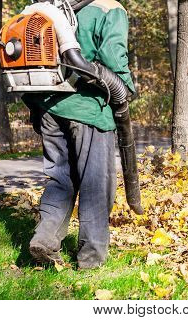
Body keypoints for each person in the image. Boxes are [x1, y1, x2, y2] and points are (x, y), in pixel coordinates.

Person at [22, 0, 135, 269]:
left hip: (49, 106)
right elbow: (111, 56)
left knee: (60, 178)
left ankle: (45, 237)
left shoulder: (49, 6)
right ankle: (91, 258)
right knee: (97, 183)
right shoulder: (109, 7)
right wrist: (126, 88)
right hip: (89, 109)